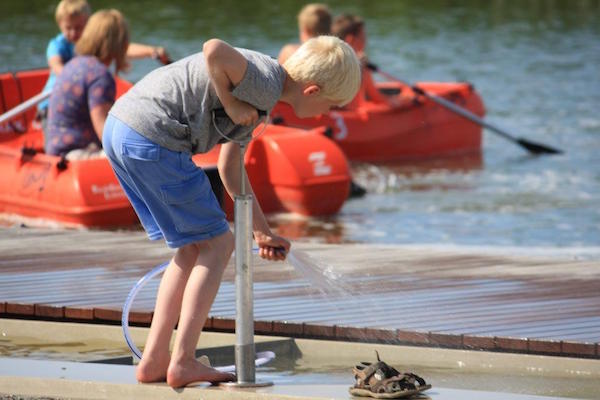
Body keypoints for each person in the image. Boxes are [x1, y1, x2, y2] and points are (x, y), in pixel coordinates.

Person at [102, 35, 361, 387]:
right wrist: (230, 103)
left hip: (122, 130)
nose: (327, 115)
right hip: (153, 135)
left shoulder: (263, 94)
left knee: (192, 248)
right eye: (331, 106)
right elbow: (213, 49)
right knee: (219, 244)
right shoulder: (265, 81)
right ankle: (183, 360)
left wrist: (262, 230)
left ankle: (155, 359)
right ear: (312, 91)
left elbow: (230, 168)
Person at [36, 0, 169, 130]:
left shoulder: (93, 44)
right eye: (68, 28)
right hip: (52, 103)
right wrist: (76, 80)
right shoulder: (58, 45)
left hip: (81, 100)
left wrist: (151, 51)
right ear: (60, 25)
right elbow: (57, 66)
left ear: (89, 25)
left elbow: (120, 48)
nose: (73, 33)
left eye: (79, 28)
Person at [44, 9, 129, 159]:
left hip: (55, 150)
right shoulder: (100, 75)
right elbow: (104, 133)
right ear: (118, 44)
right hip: (74, 154)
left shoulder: (74, 63)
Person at [331, 13, 400, 109]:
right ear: (350, 39)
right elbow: (377, 98)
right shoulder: (361, 64)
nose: (365, 41)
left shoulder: (329, 62)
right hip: (351, 118)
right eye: (363, 37)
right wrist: (404, 103)